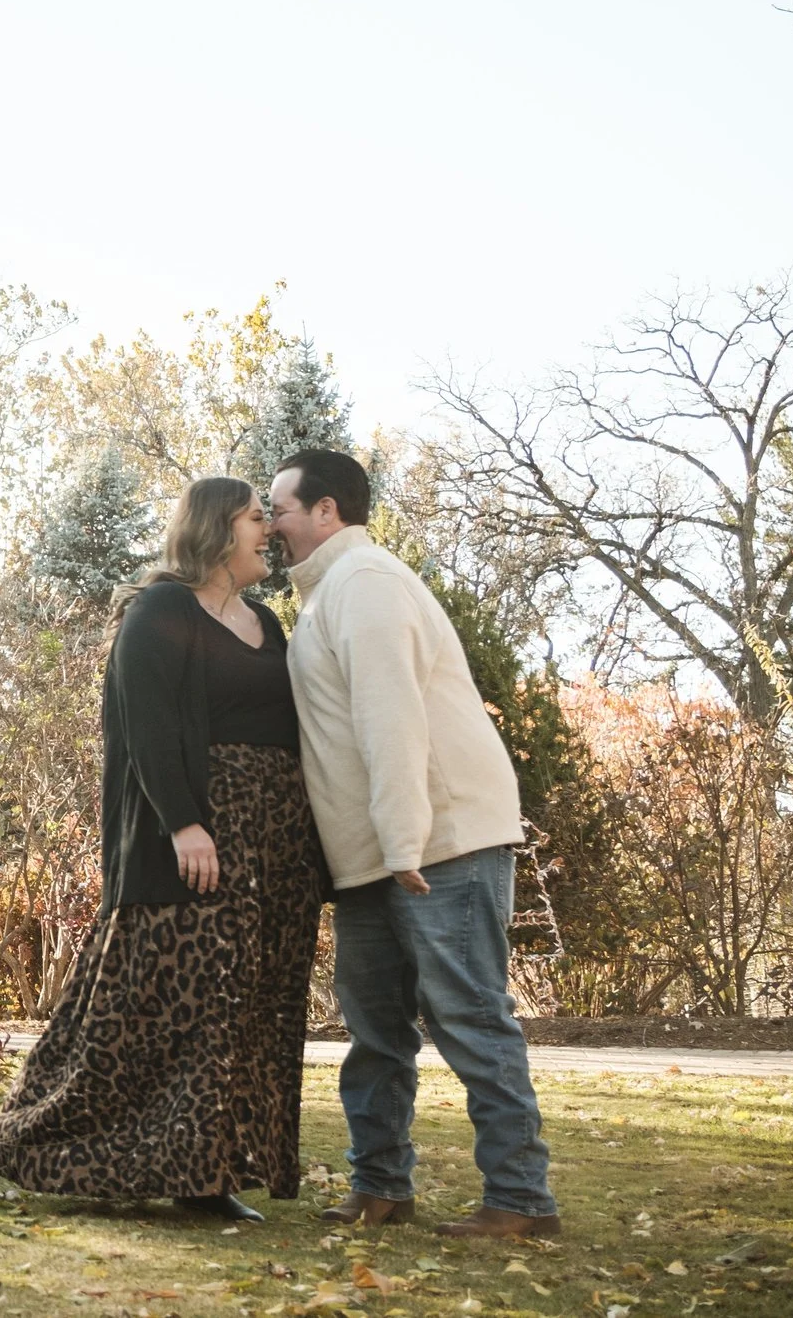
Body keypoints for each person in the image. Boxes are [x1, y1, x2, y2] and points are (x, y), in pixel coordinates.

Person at [0, 477, 328, 1222]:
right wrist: (185, 822)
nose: (266, 528)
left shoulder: (267, 623)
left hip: (271, 849)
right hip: (199, 841)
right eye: (252, 517)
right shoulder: (161, 609)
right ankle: (50, 1141)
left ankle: (208, 1169)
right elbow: (144, 724)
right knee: (169, 1006)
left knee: (244, 1009)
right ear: (214, 528)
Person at [268, 448, 560, 1240]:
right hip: (376, 858)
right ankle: (381, 1184)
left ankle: (521, 1197)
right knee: (374, 1030)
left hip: (435, 846)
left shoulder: (366, 585)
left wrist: (402, 841)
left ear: (328, 511)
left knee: (469, 1016)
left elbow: (390, 717)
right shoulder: (331, 593)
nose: (270, 525)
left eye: (281, 508)